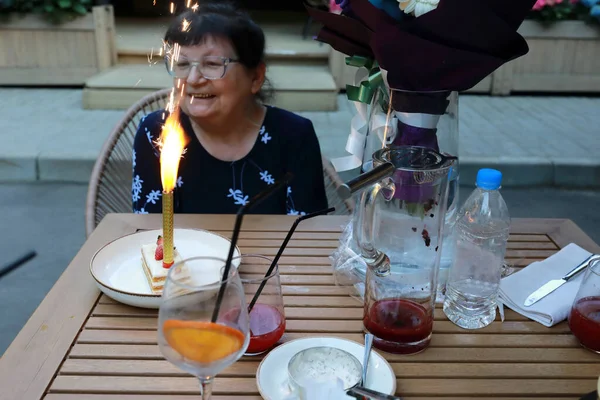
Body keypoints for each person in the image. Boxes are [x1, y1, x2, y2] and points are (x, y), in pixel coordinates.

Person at [132, 2, 328, 215]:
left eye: (213, 64)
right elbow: (150, 231)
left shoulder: (294, 136)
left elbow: (308, 234)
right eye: (182, 64)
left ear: (255, 77)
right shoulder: (157, 131)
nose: (193, 79)